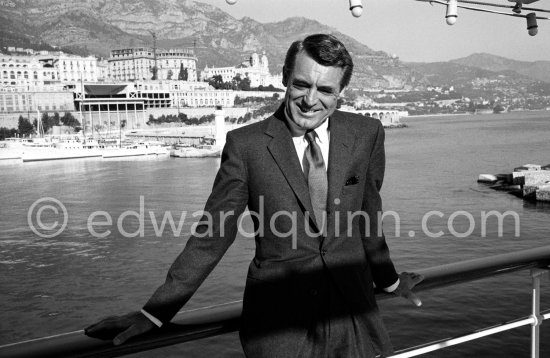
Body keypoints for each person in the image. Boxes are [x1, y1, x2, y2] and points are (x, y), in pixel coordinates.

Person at [86, 33, 423, 358]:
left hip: (352, 318)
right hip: (279, 328)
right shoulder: (245, 146)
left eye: (325, 90)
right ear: (285, 77)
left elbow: (369, 218)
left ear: (341, 92)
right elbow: (212, 235)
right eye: (302, 84)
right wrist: (154, 313)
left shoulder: (366, 134)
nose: (310, 100)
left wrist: (390, 282)